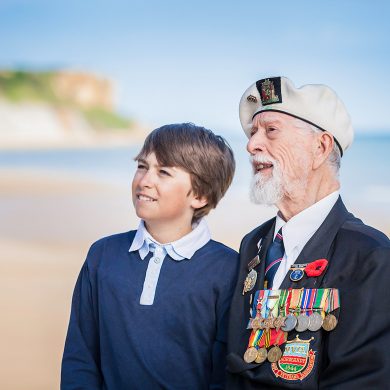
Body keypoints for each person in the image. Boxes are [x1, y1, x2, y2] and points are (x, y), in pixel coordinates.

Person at [226, 76, 390, 389]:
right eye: (252, 133)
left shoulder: (370, 255)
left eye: (270, 131)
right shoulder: (254, 243)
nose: (251, 145)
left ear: (320, 147)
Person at [61, 123, 238, 389]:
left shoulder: (229, 270)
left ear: (200, 195)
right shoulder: (103, 256)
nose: (144, 181)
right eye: (142, 166)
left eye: (164, 172)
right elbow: (80, 356)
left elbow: (225, 375)